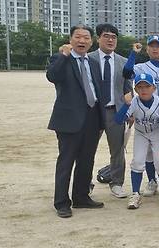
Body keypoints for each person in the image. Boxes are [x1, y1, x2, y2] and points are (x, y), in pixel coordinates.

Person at [47, 25, 106, 218]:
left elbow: (97, 91)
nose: (82, 41)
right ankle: (62, 202)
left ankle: (81, 197)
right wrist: (64, 56)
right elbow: (52, 76)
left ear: (92, 41)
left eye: (86, 38)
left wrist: (101, 121)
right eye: (78, 37)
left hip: (92, 118)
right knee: (66, 161)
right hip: (69, 120)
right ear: (71, 39)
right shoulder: (61, 59)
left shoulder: (94, 63)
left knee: (86, 160)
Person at [123, 35, 159, 196]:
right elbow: (127, 72)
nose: (155, 48)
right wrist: (134, 53)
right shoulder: (141, 67)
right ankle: (151, 180)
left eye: (158, 46)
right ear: (147, 49)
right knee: (148, 149)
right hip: (145, 110)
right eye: (152, 46)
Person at [115, 74, 159, 209]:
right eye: (140, 87)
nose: (144, 90)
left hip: (157, 133)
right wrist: (127, 104)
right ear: (135, 89)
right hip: (141, 133)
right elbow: (118, 120)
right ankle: (135, 193)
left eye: (147, 86)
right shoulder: (134, 102)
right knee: (137, 161)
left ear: (154, 88)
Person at [88, 24, 133, 199]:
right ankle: (85, 184)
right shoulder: (88, 59)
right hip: (93, 111)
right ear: (98, 38)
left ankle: (116, 183)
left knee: (117, 150)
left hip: (116, 112)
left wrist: (131, 111)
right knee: (87, 149)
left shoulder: (123, 62)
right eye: (106, 36)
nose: (110, 40)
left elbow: (128, 87)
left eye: (114, 37)